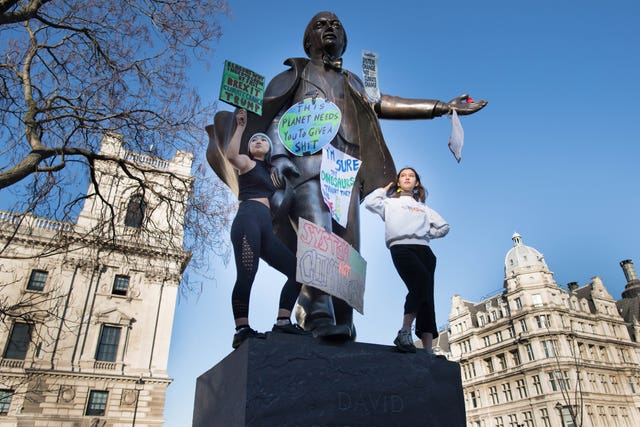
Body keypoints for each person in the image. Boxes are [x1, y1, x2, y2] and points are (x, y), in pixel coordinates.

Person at [207, 11, 486, 340]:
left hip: (346, 173)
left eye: (336, 25)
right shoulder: (291, 76)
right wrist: (279, 160)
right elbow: (277, 119)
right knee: (319, 234)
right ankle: (319, 311)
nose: (329, 28)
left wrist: (442, 107)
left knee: (348, 246)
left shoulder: (353, 80)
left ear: (344, 42)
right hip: (306, 168)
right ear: (308, 39)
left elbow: (388, 103)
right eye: (321, 24)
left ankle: (343, 318)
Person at [225, 108, 308, 349]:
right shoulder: (246, 163)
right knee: (247, 274)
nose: (258, 141)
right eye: (254, 140)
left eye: (263, 139)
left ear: (270, 148)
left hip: (266, 228)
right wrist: (240, 127)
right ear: (249, 149)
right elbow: (231, 156)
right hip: (247, 220)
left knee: (296, 271)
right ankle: (242, 329)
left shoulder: (272, 173)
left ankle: (283, 321)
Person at [364, 167, 449, 354]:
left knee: (427, 297)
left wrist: (426, 234)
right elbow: (370, 203)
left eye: (411, 176)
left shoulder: (424, 208)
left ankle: (427, 350)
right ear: (398, 182)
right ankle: (404, 331)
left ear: (416, 182)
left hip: (425, 251)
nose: (407, 178)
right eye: (403, 176)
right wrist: (385, 189)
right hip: (401, 247)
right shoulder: (389, 203)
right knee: (420, 282)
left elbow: (444, 227)